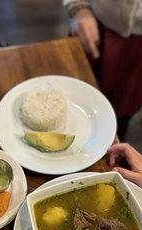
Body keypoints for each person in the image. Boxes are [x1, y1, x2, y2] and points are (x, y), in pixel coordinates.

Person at [63, 0, 142, 139]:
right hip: (94, 26)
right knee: (75, 97)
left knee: (124, 109)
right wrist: (79, 8)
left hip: (137, 47)